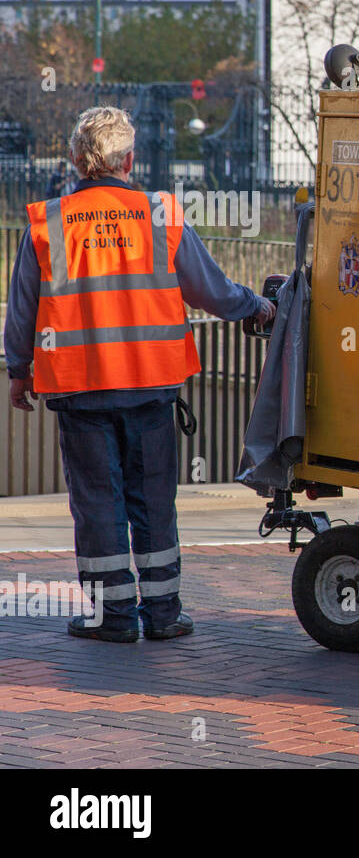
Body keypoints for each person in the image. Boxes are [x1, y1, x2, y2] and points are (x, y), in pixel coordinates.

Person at [4, 106, 274, 642]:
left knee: (97, 502)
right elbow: (211, 291)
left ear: (78, 162)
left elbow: (22, 307)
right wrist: (257, 308)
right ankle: (165, 613)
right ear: (129, 159)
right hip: (151, 384)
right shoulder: (161, 214)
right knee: (153, 499)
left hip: (80, 388)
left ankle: (113, 618)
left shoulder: (47, 221)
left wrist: (18, 369)